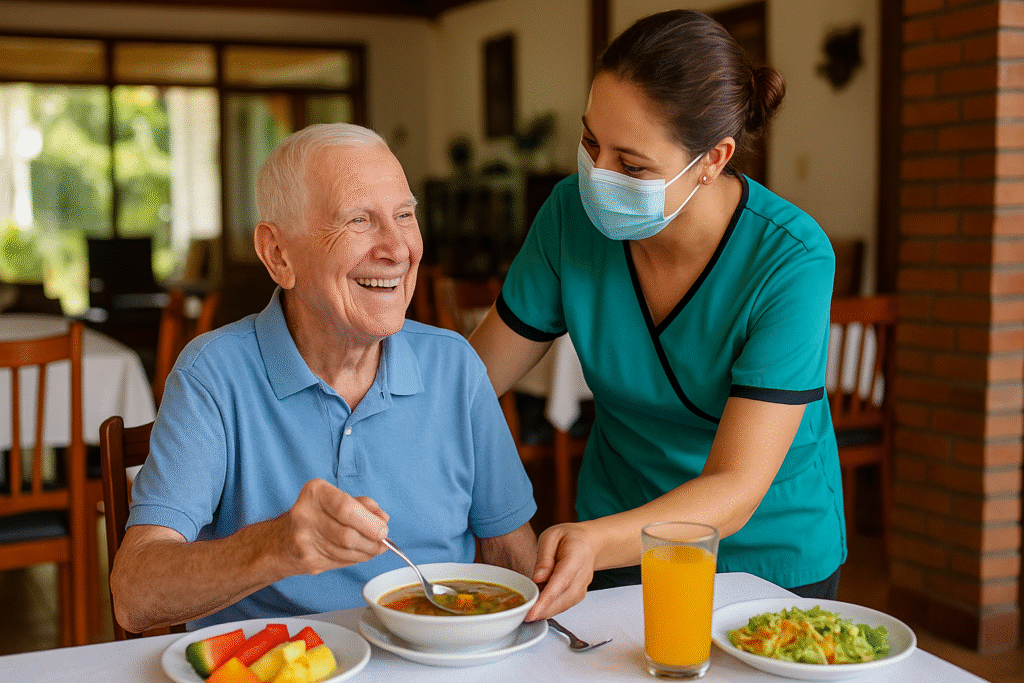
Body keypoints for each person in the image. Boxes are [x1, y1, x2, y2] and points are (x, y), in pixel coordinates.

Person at [470, 9, 845, 621]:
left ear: (713, 159)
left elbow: (736, 487)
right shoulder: (570, 218)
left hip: (764, 560)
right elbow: (471, 381)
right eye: (591, 143)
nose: (599, 176)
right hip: (615, 535)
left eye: (633, 165)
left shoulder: (791, 259)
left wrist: (591, 539)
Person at [111, 123, 538, 633]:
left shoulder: (456, 367)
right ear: (278, 256)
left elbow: (513, 560)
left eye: (404, 215)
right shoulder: (213, 376)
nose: (398, 249)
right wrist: (277, 546)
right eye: (359, 220)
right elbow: (134, 595)